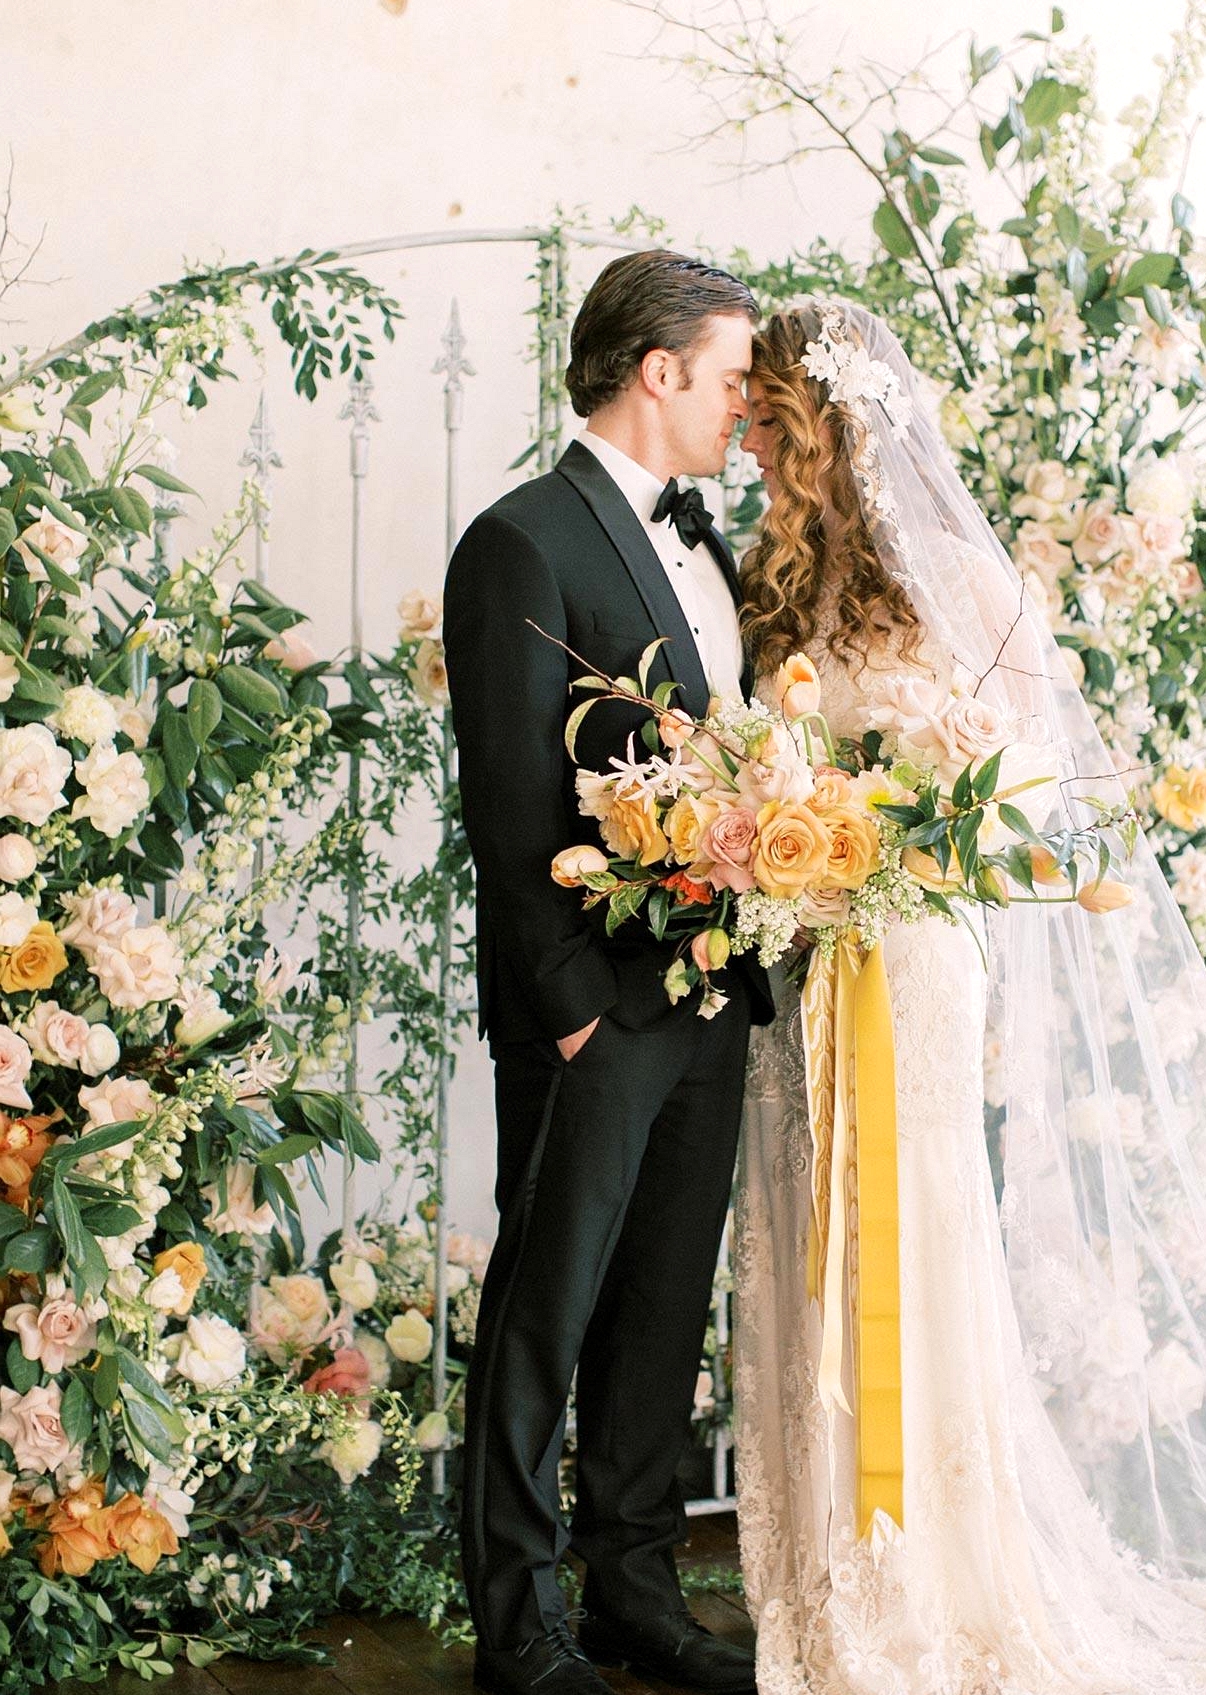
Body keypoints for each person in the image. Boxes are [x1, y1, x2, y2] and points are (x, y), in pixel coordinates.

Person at [730, 297, 1206, 1695]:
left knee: (909, 1240)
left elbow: (1062, 816)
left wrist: (919, 839)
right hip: (802, 974)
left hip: (915, 971)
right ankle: (827, 1581)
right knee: (803, 1231)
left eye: (774, 424)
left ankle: (933, 1578)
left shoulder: (961, 574)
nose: (756, 451)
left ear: (831, 426)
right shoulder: (767, 585)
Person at [444, 250, 771, 1695]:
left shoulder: (714, 541)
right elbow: (509, 804)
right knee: (548, 1309)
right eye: (732, 376)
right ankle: (520, 1627)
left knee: (660, 1305)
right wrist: (573, 1012)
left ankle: (636, 1589)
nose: (744, 406)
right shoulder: (521, 539)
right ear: (659, 372)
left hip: (712, 995)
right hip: (594, 1011)